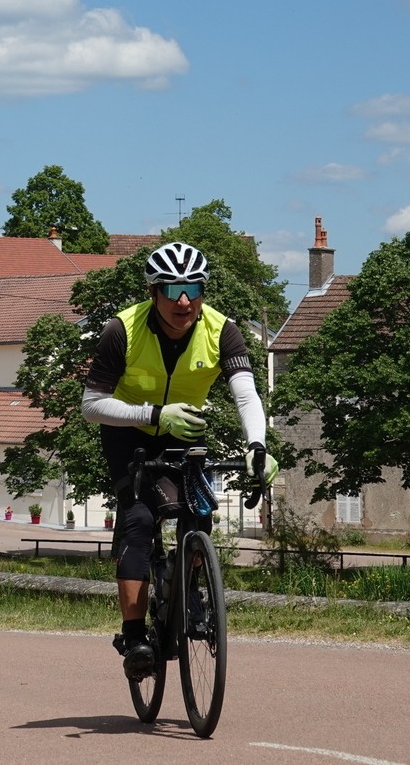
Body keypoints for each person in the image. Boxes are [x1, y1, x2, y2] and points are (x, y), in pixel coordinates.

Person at [79, 241, 277, 677]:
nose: (183, 300)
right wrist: (153, 414)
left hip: (184, 431)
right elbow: (91, 405)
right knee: (139, 521)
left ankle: (189, 592)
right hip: (128, 431)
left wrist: (257, 445)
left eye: (193, 288)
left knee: (197, 511)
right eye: (172, 290)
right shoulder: (121, 330)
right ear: (154, 293)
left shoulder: (223, 330)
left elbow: (246, 394)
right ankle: (134, 637)